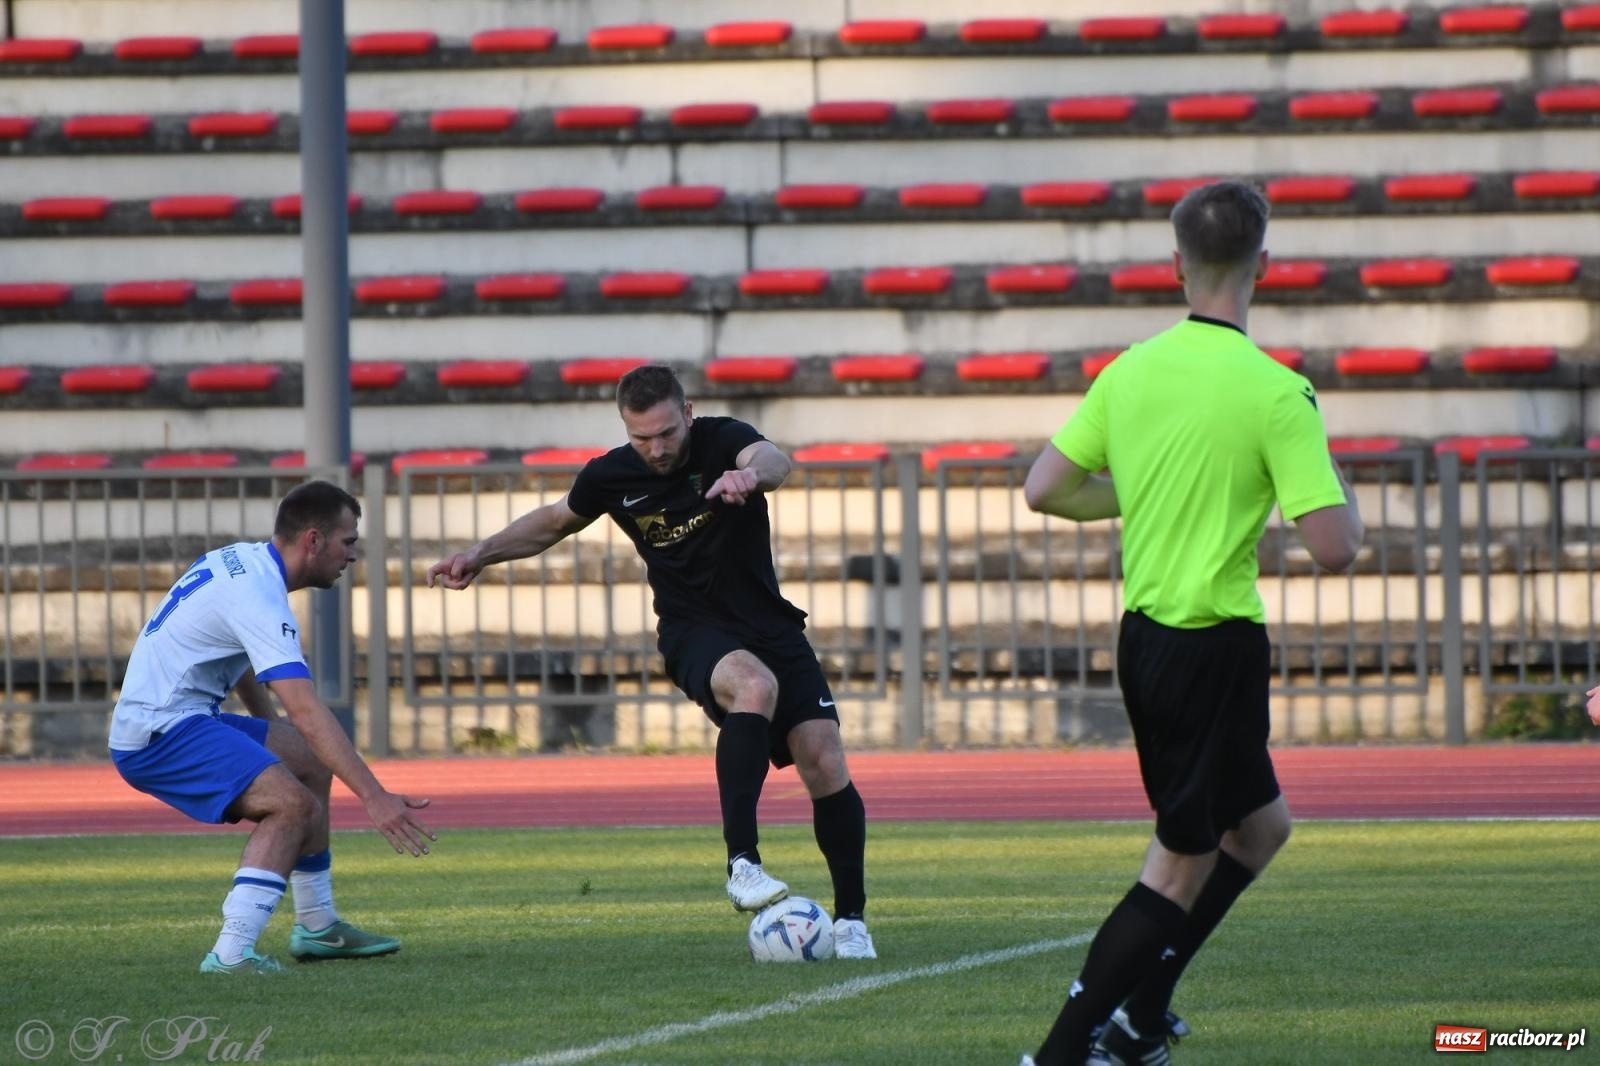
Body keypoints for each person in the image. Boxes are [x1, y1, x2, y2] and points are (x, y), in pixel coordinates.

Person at [1018, 181, 1364, 1065]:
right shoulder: (1279, 391)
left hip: (1146, 641)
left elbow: (1045, 488)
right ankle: (1060, 1053)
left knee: (1261, 828)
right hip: (1215, 646)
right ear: (1262, 267)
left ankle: (1139, 1022)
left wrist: (1141, 491)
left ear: (1176, 264)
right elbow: (1334, 546)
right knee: (1180, 860)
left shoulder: (1130, 369)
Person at [426, 364, 876, 959]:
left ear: (687, 413)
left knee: (823, 758)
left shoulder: (722, 439)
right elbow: (555, 522)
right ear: (625, 430)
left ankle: (850, 922)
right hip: (694, 630)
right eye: (643, 438)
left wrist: (750, 478)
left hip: (771, 625)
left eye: (667, 432)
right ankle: (743, 863)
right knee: (753, 686)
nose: (657, 448)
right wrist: (479, 555)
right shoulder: (612, 474)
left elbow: (775, 462)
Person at [109, 480, 435, 974]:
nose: (352, 555)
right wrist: (375, 797)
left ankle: (318, 926)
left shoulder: (242, 562)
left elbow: (234, 658)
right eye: (348, 542)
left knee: (307, 755)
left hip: (177, 717)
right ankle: (232, 953)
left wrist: (276, 738)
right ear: (312, 540)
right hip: (160, 733)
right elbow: (306, 709)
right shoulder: (260, 596)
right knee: (291, 804)